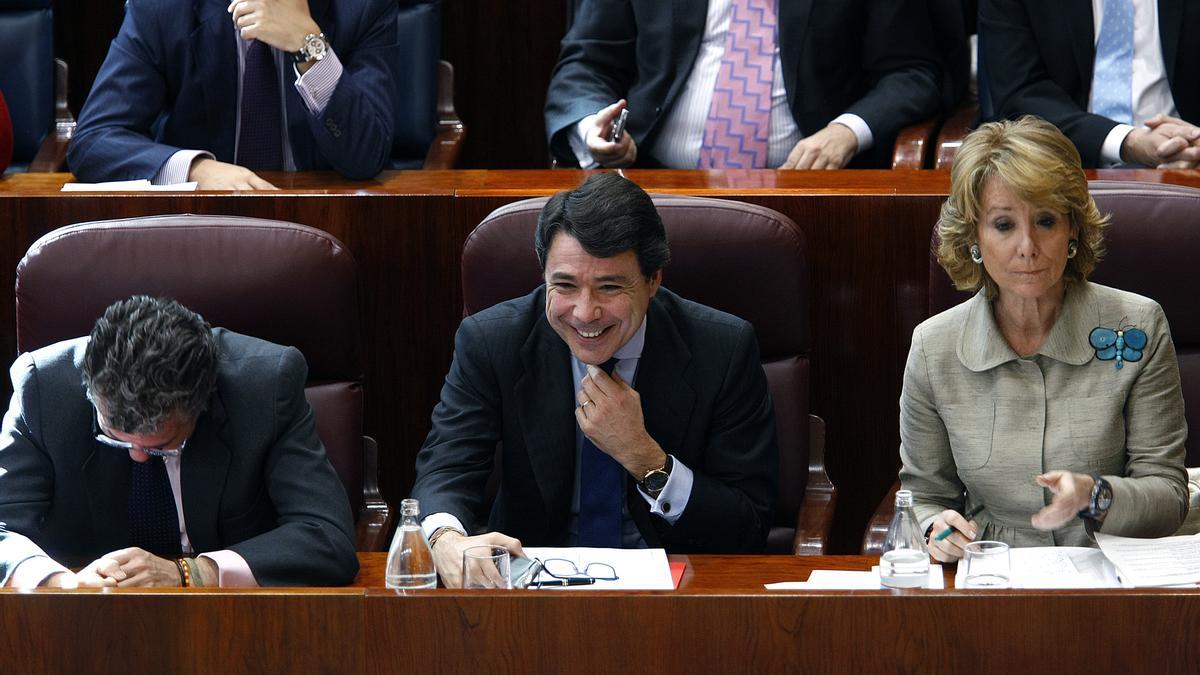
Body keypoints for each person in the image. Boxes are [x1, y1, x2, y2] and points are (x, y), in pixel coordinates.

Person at [412, 173, 778, 587]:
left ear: (653, 280)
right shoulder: (492, 341)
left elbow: (748, 526)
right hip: (531, 585)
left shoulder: (723, 349)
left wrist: (646, 459)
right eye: (564, 285)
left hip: (675, 590)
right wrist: (444, 536)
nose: (585, 313)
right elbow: (446, 467)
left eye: (609, 287)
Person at [899, 116, 1188, 562]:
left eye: (1046, 221)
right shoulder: (933, 346)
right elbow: (924, 496)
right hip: (993, 573)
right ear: (974, 236)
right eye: (1002, 225)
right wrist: (936, 529)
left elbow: (1168, 497)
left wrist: (1096, 495)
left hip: (1113, 571)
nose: (1028, 246)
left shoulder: (1138, 325)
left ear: (1073, 229)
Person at [0, 296, 358, 587]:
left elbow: (326, 537)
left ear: (201, 403)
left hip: (231, 621)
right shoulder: (42, 388)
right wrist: (63, 584)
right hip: (85, 623)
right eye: (116, 439)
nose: (139, 457)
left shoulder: (266, 386)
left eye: (160, 445)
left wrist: (192, 573)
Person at [544, 0, 942, 170]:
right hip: (650, 183)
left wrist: (847, 131)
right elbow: (586, 64)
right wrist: (594, 128)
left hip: (808, 191)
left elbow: (912, 71)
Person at [66, 0, 398, 188]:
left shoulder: (362, 8)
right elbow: (95, 140)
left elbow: (365, 156)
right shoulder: (163, 9)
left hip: (324, 222)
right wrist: (195, 170)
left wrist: (311, 46)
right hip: (198, 229)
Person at [981, 0, 1200, 168]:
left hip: (1187, 164)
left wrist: (1192, 142)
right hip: (1057, 167)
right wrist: (1127, 141)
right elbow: (1019, 94)